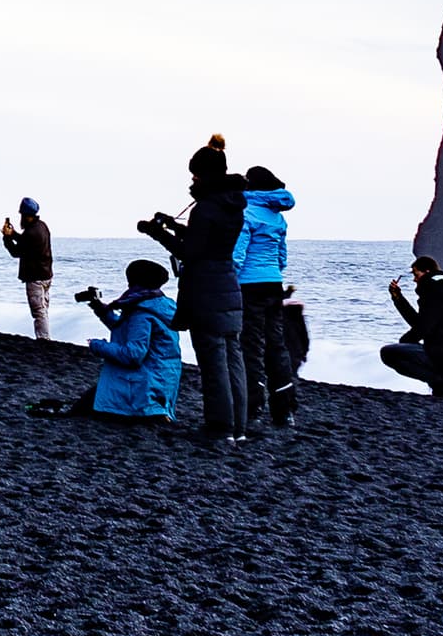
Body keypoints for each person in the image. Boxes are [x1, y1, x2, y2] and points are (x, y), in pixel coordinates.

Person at [172, 146, 253, 445]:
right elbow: (209, 242)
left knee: (213, 364)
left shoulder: (205, 208)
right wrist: (174, 226)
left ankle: (220, 427)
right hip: (228, 286)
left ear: (204, 174)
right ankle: (238, 429)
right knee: (234, 362)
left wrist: (158, 233)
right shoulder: (233, 205)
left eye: (195, 174)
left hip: (205, 290)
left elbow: (191, 252)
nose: (192, 179)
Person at [74, 258, 180, 419]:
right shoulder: (159, 305)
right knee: (92, 399)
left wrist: (98, 345)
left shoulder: (142, 313)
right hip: (162, 381)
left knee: (87, 405)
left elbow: (133, 355)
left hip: (146, 385)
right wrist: (100, 309)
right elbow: (126, 330)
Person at [237, 165, 297, 428]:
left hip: (248, 284)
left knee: (251, 345)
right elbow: (282, 255)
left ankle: (253, 404)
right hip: (273, 282)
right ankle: (284, 409)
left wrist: (229, 277)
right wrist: (273, 271)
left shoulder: (245, 212)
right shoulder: (277, 216)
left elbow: (238, 254)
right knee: (277, 344)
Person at [381, 256, 443, 397]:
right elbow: (421, 323)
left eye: (416, 274)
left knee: (388, 353)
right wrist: (398, 297)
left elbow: (423, 327)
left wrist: (405, 341)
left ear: (427, 271)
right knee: (403, 348)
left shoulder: (433, 290)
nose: (414, 280)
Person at [1, 197, 55, 339]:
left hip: (35, 277)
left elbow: (16, 252)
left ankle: (44, 340)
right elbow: (25, 242)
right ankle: (45, 337)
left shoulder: (31, 232)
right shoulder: (42, 226)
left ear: (25, 215)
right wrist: (13, 234)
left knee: (38, 311)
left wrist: (7, 238)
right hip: (46, 275)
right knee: (43, 309)